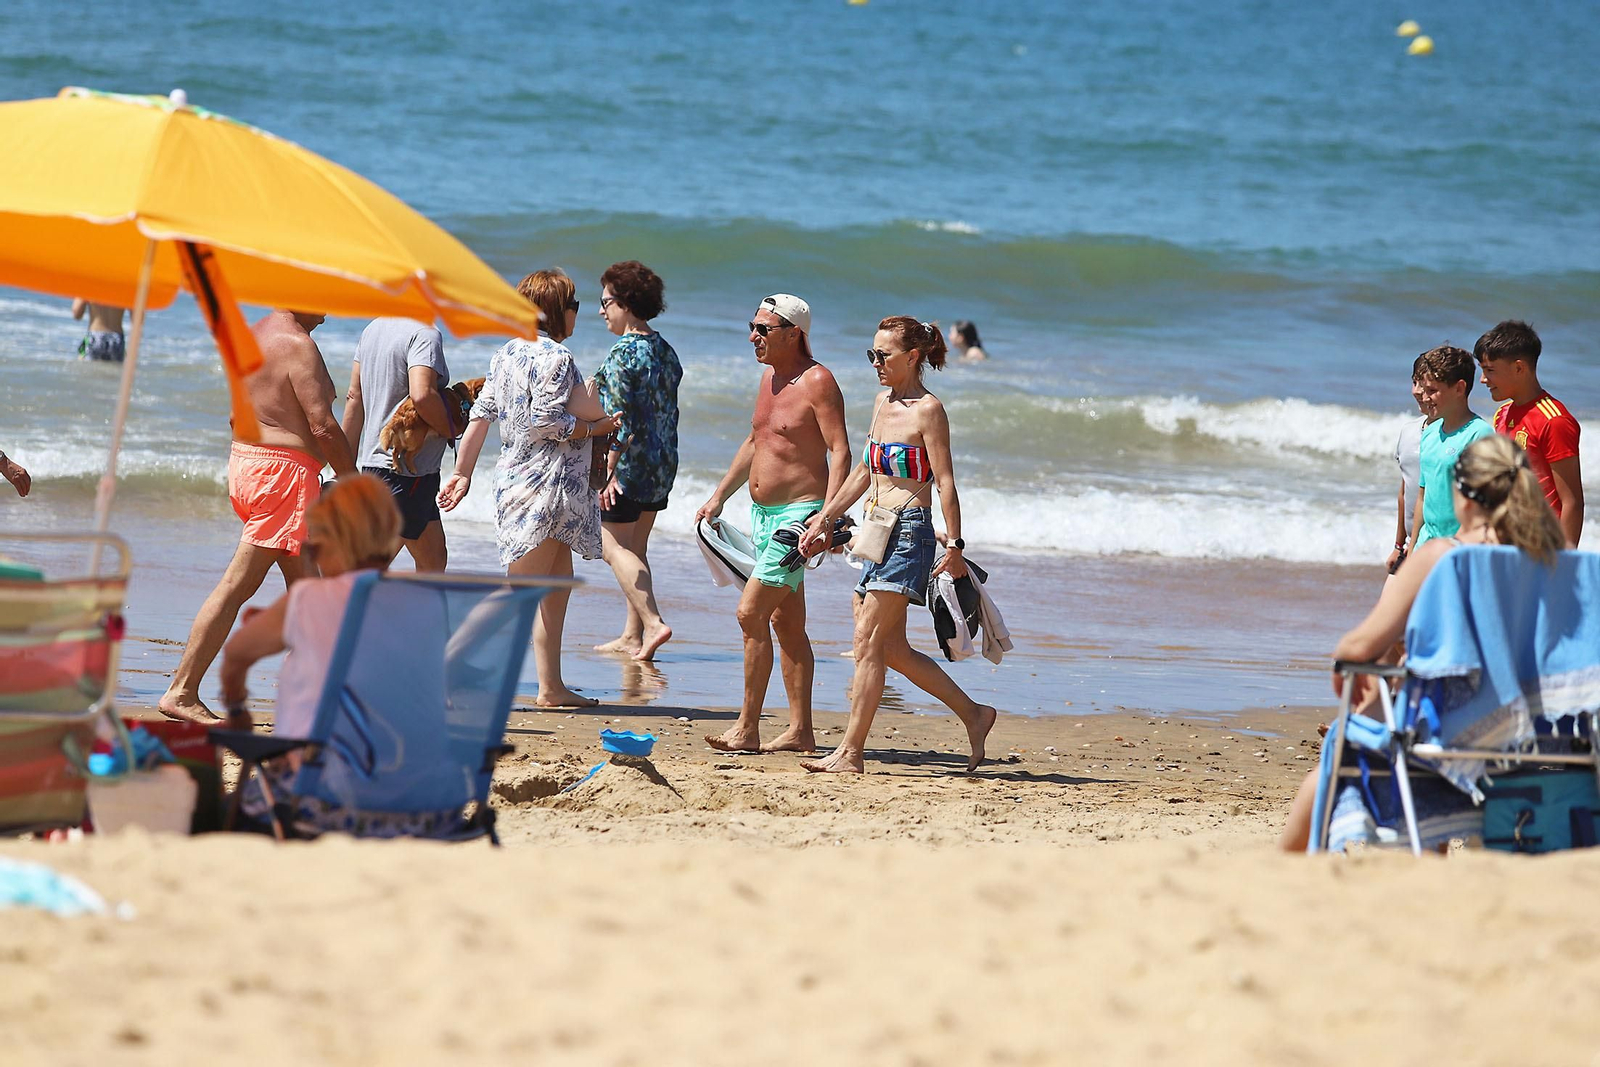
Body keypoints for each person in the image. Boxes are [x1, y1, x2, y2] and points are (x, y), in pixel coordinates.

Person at [1279, 435, 1565, 851]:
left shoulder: (1441, 556)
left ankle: (1282, 866)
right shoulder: (1554, 565)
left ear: (1463, 496)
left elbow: (1359, 647)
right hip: (1529, 731)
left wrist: (1349, 665)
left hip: (1445, 733)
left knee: (1339, 755)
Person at [796, 318, 997, 774]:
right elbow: (864, 472)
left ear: (912, 357)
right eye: (872, 355)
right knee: (891, 650)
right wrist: (825, 519)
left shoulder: (929, 410)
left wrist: (956, 547)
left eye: (883, 355)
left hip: (910, 533)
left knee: (866, 642)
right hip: (875, 531)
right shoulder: (881, 404)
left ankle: (850, 753)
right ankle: (976, 715)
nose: (876, 364)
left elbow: (945, 482)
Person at [217, 475, 459, 835]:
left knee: (216, 801)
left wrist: (237, 709)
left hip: (316, 794)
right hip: (403, 795)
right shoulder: (419, 606)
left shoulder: (310, 600)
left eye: (316, 544)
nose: (311, 554)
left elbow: (236, 655)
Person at [158, 309, 356, 722]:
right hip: (283, 478)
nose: (329, 308)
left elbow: (238, 413)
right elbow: (321, 425)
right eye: (323, 296)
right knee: (237, 585)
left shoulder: (251, 336)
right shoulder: (300, 346)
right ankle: (182, 690)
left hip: (248, 464)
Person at [438, 269, 620, 708]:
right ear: (558, 310)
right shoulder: (556, 357)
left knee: (554, 585)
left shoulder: (507, 353)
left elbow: (482, 413)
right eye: (573, 304)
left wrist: (463, 471)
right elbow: (548, 422)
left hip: (527, 484)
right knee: (517, 590)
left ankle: (551, 687)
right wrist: (598, 428)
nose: (578, 312)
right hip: (543, 488)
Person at [696, 294, 851, 753]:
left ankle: (746, 728)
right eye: (753, 326)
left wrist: (827, 517)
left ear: (793, 333)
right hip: (762, 516)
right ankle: (801, 731)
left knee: (750, 612)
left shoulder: (818, 381)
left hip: (800, 516)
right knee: (786, 622)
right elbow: (755, 440)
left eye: (763, 329)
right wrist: (719, 495)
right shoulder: (768, 377)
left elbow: (840, 451)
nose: (753, 337)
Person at [592, 261, 680, 661]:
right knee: (636, 548)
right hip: (662, 463)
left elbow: (618, 421)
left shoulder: (621, 354)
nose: (601, 311)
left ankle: (653, 622)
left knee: (613, 548)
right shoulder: (665, 349)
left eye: (606, 301)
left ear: (626, 303)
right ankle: (633, 635)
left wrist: (605, 472)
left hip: (628, 467)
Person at [340, 317, 455, 571]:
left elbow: (354, 397)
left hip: (377, 465)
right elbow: (422, 394)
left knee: (434, 558)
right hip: (406, 472)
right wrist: (451, 429)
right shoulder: (425, 333)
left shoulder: (373, 328)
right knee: (367, 571)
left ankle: (420, 612)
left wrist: (344, 466)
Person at [1478, 320, 1584, 547]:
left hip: (1542, 546)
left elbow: (1572, 502)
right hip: (1507, 542)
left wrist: (1565, 563)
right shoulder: (1502, 414)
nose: (1483, 379)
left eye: (1490, 370)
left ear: (1519, 368)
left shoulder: (1554, 420)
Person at [1408, 345, 1495, 551]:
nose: (1425, 397)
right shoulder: (1430, 431)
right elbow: (1423, 497)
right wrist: (1412, 548)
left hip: (1459, 548)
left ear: (1459, 388)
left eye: (1433, 391)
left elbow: (1486, 507)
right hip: (1425, 545)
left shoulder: (1479, 434)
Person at [1386, 356, 1439, 575]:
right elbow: (1404, 491)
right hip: (1410, 547)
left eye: (1426, 386)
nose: (1418, 391)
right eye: (1414, 383)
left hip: (1437, 548)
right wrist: (1399, 546)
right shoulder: (1408, 430)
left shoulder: (1459, 435)